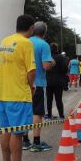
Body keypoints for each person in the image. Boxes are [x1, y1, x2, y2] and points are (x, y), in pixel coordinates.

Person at [0, 14, 36, 161]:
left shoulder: (4, 41)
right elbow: (31, 71)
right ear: (31, 28)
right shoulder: (26, 43)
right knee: (18, 134)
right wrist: (31, 86)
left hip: (3, 95)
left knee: (5, 131)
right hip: (19, 95)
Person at [24, 21, 55, 152]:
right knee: (37, 112)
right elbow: (46, 66)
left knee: (26, 112)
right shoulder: (43, 44)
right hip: (38, 83)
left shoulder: (24, 42)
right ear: (44, 33)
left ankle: (24, 141)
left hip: (23, 83)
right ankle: (36, 142)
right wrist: (52, 62)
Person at [46, 43, 68, 120]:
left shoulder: (47, 57)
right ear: (57, 49)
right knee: (58, 99)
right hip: (59, 81)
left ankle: (49, 115)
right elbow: (65, 69)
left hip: (48, 81)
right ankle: (61, 116)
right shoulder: (60, 57)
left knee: (49, 99)